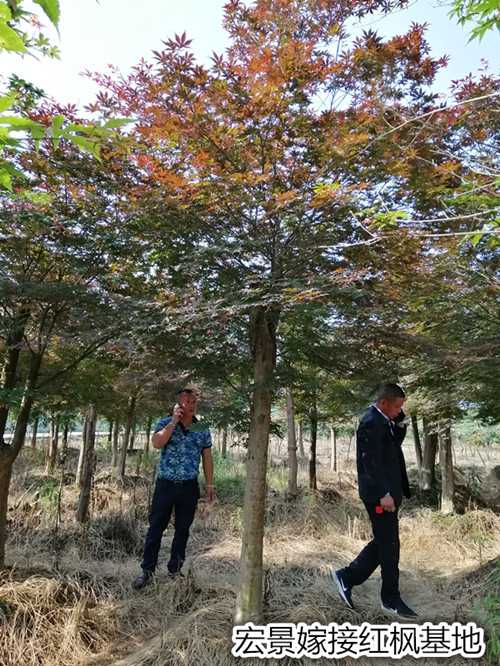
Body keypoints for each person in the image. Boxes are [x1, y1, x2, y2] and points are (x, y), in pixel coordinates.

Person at [332, 383, 417, 618]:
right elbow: (369, 463)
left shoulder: (383, 420)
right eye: (397, 407)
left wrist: (400, 422)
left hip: (388, 492)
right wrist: (383, 494)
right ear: (384, 403)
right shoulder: (370, 422)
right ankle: (389, 598)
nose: (399, 410)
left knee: (386, 541)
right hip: (380, 495)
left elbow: (392, 445)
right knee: (388, 545)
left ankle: (347, 577)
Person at [132, 388, 215, 589]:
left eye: (194, 402)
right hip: (166, 485)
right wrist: (173, 423)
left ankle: (175, 570)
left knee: (182, 530)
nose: (192, 405)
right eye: (187, 402)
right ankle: (147, 571)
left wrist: (210, 484)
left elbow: (207, 457)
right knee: (156, 528)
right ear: (178, 405)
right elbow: (157, 443)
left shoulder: (202, 427)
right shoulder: (164, 423)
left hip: (188, 487)